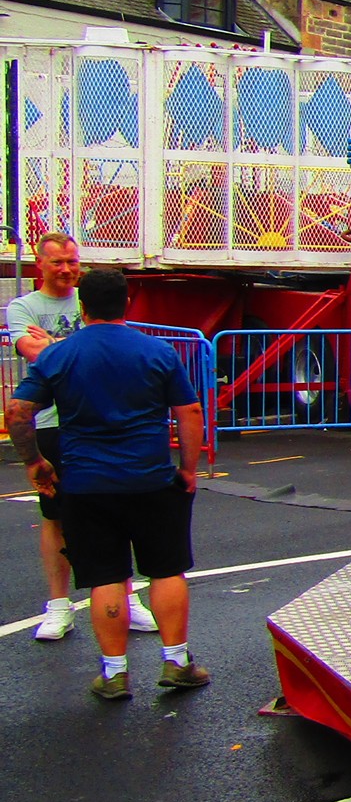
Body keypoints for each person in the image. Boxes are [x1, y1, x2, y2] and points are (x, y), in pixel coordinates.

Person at [6, 268, 207, 700]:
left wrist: (36, 462)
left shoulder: (59, 356)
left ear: (82, 308)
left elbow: (18, 412)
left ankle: (115, 673)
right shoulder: (157, 351)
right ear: (127, 302)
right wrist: (188, 468)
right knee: (166, 569)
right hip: (151, 480)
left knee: (106, 576)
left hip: (86, 483)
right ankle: (176, 662)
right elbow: (188, 412)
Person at [6, 232, 155, 642]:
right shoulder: (23, 307)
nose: (67, 269)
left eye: (72, 261)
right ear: (40, 264)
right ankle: (58, 607)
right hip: (53, 421)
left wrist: (54, 342)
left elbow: (86, 348)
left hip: (97, 416)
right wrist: (74, 346)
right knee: (55, 515)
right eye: (58, 262)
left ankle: (128, 599)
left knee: (115, 508)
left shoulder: (87, 296)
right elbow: (33, 352)